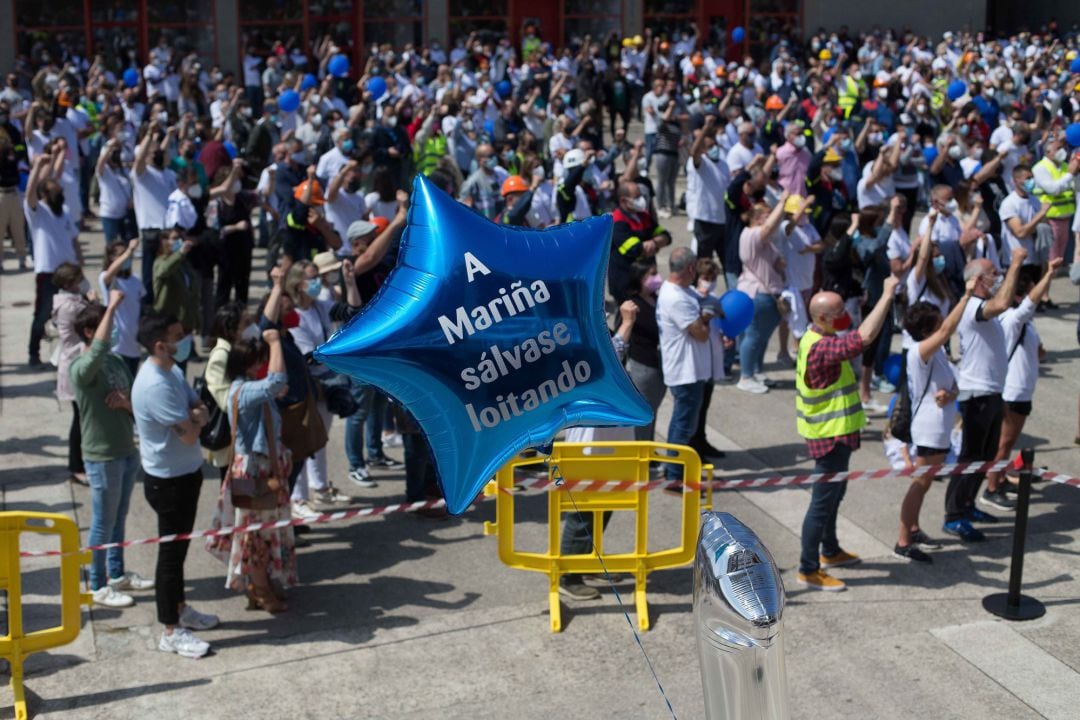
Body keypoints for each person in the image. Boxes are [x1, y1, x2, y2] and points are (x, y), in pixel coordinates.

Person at [796, 274, 899, 591]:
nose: (846, 316)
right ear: (823, 318)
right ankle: (809, 568)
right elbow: (863, 338)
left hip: (837, 434)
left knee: (834, 495)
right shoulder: (821, 348)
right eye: (839, 312)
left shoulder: (817, 336)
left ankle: (830, 551)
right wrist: (887, 294)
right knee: (821, 504)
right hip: (829, 438)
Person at [131, 312, 219, 658]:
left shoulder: (173, 371)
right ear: (160, 344)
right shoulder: (154, 384)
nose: (185, 341)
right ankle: (170, 629)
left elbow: (200, 408)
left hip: (187, 474)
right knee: (169, 557)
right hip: (168, 483)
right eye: (179, 336)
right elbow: (191, 433)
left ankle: (181, 608)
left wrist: (195, 415)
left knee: (180, 551)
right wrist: (196, 417)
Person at [71, 290, 154, 607]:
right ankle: (97, 584)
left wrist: (125, 403)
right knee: (102, 523)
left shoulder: (116, 361)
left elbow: (136, 402)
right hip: (101, 457)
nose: (115, 327)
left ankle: (116, 573)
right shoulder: (81, 369)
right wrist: (113, 304)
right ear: (90, 333)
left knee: (119, 519)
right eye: (108, 322)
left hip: (126, 450)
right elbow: (98, 348)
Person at [208, 328, 297, 613]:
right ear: (249, 364)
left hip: (262, 467)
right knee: (255, 537)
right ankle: (258, 589)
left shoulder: (246, 389)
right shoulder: (243, 391)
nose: (262, 365)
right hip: (254, 472)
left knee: (265, 533)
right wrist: (274, 343)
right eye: (258, 361)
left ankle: (263, 585)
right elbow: (278, 380)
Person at [557, 299, 638, 601]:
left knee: (604, 507)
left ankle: (587, 561)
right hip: (588, 445)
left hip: (610, 442)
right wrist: (627, 325)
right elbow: (607, 363)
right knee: (583, 512)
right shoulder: (573, 342)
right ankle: (568, 574)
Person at [945, 247, 1027, 542]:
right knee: (971, 457)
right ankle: (954, 515)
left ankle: (967, 506)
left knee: (986, 456)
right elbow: (1004, 302)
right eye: (993, 273)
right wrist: (1016, 262)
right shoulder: (973, 308)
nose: (998, 277)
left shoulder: (981, 305)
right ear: (978, 279)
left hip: (991, 391)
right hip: (977, 393)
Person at [894, 285, 975, 563]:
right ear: (928, 331)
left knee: (925, 482)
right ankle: (903, 540)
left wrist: (949, 394)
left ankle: (913, 529)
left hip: (940, 427)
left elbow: (952, 386)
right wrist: (965, 297)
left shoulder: (938, 353)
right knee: (920, 481)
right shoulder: (919, 352)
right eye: (939, 323)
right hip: (928, 428)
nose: (945, 326)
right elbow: (945, 332)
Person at [982, 259, 1063, 511]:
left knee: (1009, 442)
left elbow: (1038, 351)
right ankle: (991, 488)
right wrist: (1049, 274)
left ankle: (1002, 479)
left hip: (1024, 390)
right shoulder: (1010, 318)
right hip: (1012, 391)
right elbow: (1030, 304)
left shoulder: (1025, 322)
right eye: (1030, 287)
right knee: (1004, 443)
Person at [657, 247, 711, 484]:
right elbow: (700, 334)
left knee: (683, 422)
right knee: (683, 426)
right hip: (685, 372)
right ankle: (676, 477)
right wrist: (706, 319)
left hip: (690, 368)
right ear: (690, 269)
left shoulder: (680, 290)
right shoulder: (676, 297)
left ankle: (674, 471)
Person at [25, 151, 81, 366]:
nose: (59, 193)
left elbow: (74, 238)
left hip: (69, 271)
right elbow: (30, 192)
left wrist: (79, 260)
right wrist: (37, 167)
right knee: (42, 314)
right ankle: (33, 353)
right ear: (45, 195)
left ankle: (71, 352)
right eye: (54, 191)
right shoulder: (37, 211)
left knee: (76, 313)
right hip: (48, 272)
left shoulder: (64, 210)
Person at [736, 194, 790, 394]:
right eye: (768, 215)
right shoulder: (751, 234)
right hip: (756, 293)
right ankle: (746, 376)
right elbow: (768, 228)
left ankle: (757, 370)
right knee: (753, 335)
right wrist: (782, 203)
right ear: (758, 219)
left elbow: (774, 263)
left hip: (771, 294)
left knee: (764, 336)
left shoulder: (768, 241)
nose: (773, 219)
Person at [52, 262, 91, 484]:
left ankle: (79, 463)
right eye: (79, 278)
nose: (83, 281)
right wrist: (93, 301)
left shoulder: (73, 301)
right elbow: (73, 340)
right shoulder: (69, 306)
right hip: (75, 366)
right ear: (69, 283)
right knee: (80, 419)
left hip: (79, 363)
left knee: (83, 418)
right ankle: (76, 466)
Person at [609, 181, 672, 305]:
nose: (641, 199)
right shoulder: (616, 221)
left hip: (645, 281)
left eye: (640, 195)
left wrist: (653, 243)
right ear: (623, 201)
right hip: (626, 284)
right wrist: (655, 243)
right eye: (636, 197)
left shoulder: (643, 216)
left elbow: (666, 236)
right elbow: (635, 249)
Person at [623, 263, 665, 443]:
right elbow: (622, 337)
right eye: (652, 274)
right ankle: (640, 452)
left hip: (660, 366)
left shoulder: (658, 299)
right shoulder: (632, 306)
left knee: (653, 411)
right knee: (643, 414)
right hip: (643, 367)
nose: (657, 278)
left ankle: (648, 448)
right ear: (639, 279)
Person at [152, 227, 200, 373]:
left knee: (181, 368)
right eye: (174, 238)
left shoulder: (184, 265)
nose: (178, 241)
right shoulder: (161, 262)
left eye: (179, 237)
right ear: (164, 242)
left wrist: (196, 320)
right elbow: (164, 271)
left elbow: (192, 295)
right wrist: (179, 253)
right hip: (168, 324)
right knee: (169, 368)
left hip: (184, 324)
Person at [687, 115, 731, 267]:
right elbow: (694, 152)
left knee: (727, 261)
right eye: (710, 146)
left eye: (715, 145)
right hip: (705, 219)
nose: (714, 149)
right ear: (704, 150)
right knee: (704, 262)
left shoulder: (724, 165)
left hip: (722, 220)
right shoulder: (702, 163)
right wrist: (705, 128)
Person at [99, 239, 146, 377]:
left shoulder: (135, 279)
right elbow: (108, 275)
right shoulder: (109, 279)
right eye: (121, 254)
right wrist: (130, 251)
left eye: (128, 255)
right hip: (117, 346)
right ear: (112, 258)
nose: (127, 257)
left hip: (135, 344)